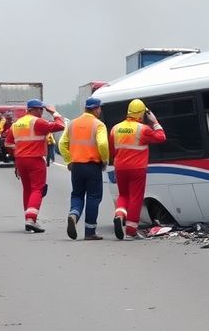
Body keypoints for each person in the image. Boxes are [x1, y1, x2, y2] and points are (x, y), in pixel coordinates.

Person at [4, 99, 65, 233]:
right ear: (33, 110)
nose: (42, 112)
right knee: (37, 188)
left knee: (27, 190)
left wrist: (17, 159)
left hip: (20, 160)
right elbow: (61, 126)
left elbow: (8, 144)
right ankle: (31, 219)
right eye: (40, 109)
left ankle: (28, 219)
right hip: (35, 160)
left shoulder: (17, 124)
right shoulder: (37, 122)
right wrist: (54, 113)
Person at [109, 99, 165, 240]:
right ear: (141, 114)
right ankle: (130, 232)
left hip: (120, 167)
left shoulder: (115, 128)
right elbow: (161, 138)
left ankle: (119, 215)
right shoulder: (143, 129)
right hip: (137, 168)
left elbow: (111, 150)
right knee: (136, 198)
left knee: (123, 195)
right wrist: (155, 121)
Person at [59, 97, 108, 241]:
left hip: (76, 167)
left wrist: (69, 160)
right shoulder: (98, 125)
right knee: (93, 197)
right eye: (99, 108)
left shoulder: (72, 123)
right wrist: (104, 160)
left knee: (77, 195)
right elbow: (103, 144)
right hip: (92, 166)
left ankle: (73, 215)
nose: (100, 111)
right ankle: (90, 231)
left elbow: (62, 143)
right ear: (95, 109)